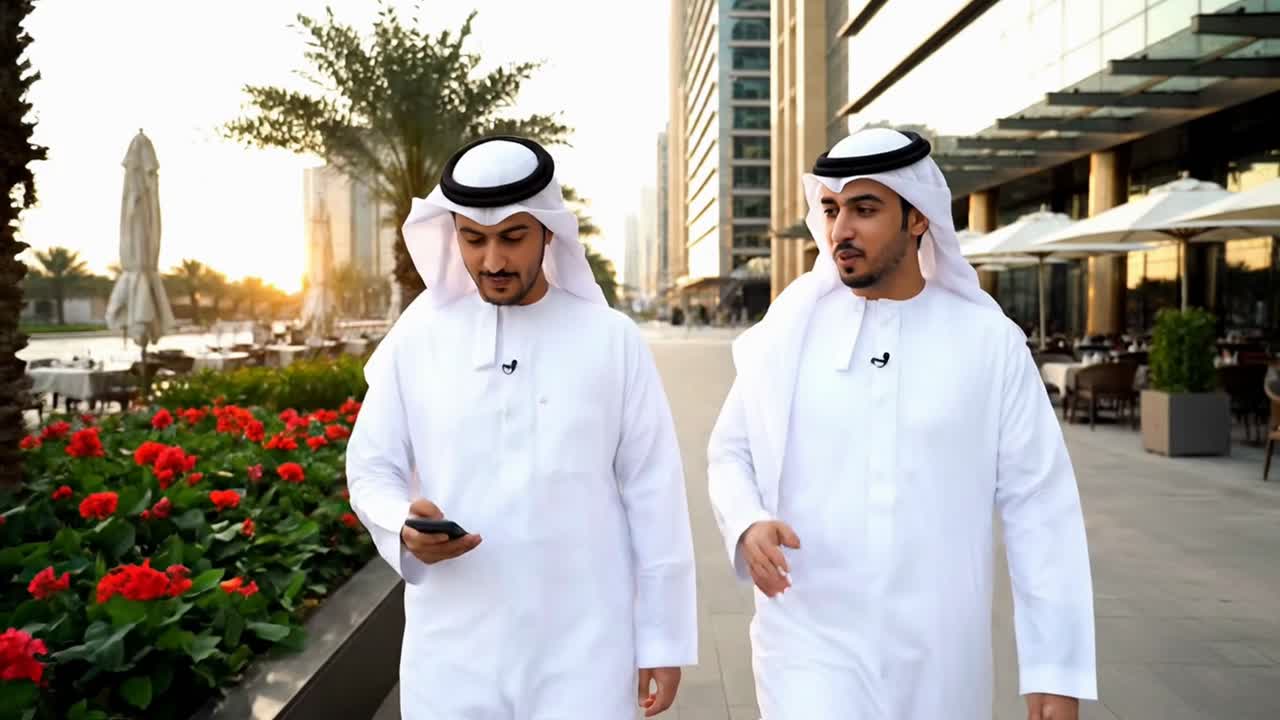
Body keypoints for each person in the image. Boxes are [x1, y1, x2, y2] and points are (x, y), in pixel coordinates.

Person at [706, 127, 1096, 719]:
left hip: (941, 656)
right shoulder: (789, 332)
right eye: (832, 209)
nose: (841, 230)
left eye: (865, 209)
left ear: (918, 218)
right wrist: (747, 522)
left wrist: (1055, 670)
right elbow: (730, 451)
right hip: (808, 640)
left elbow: (1039, 506)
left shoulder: (989, 343)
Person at [347, 136, 697, 719]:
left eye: (512, 237)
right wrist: (401, 526)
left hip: (586, 649)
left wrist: (662, 638)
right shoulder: (417, 338)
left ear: (547, 232)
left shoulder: (611, 339)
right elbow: (371, 465)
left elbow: (653, 493)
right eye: (473, 239)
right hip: (451, 650)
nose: (492, 261)